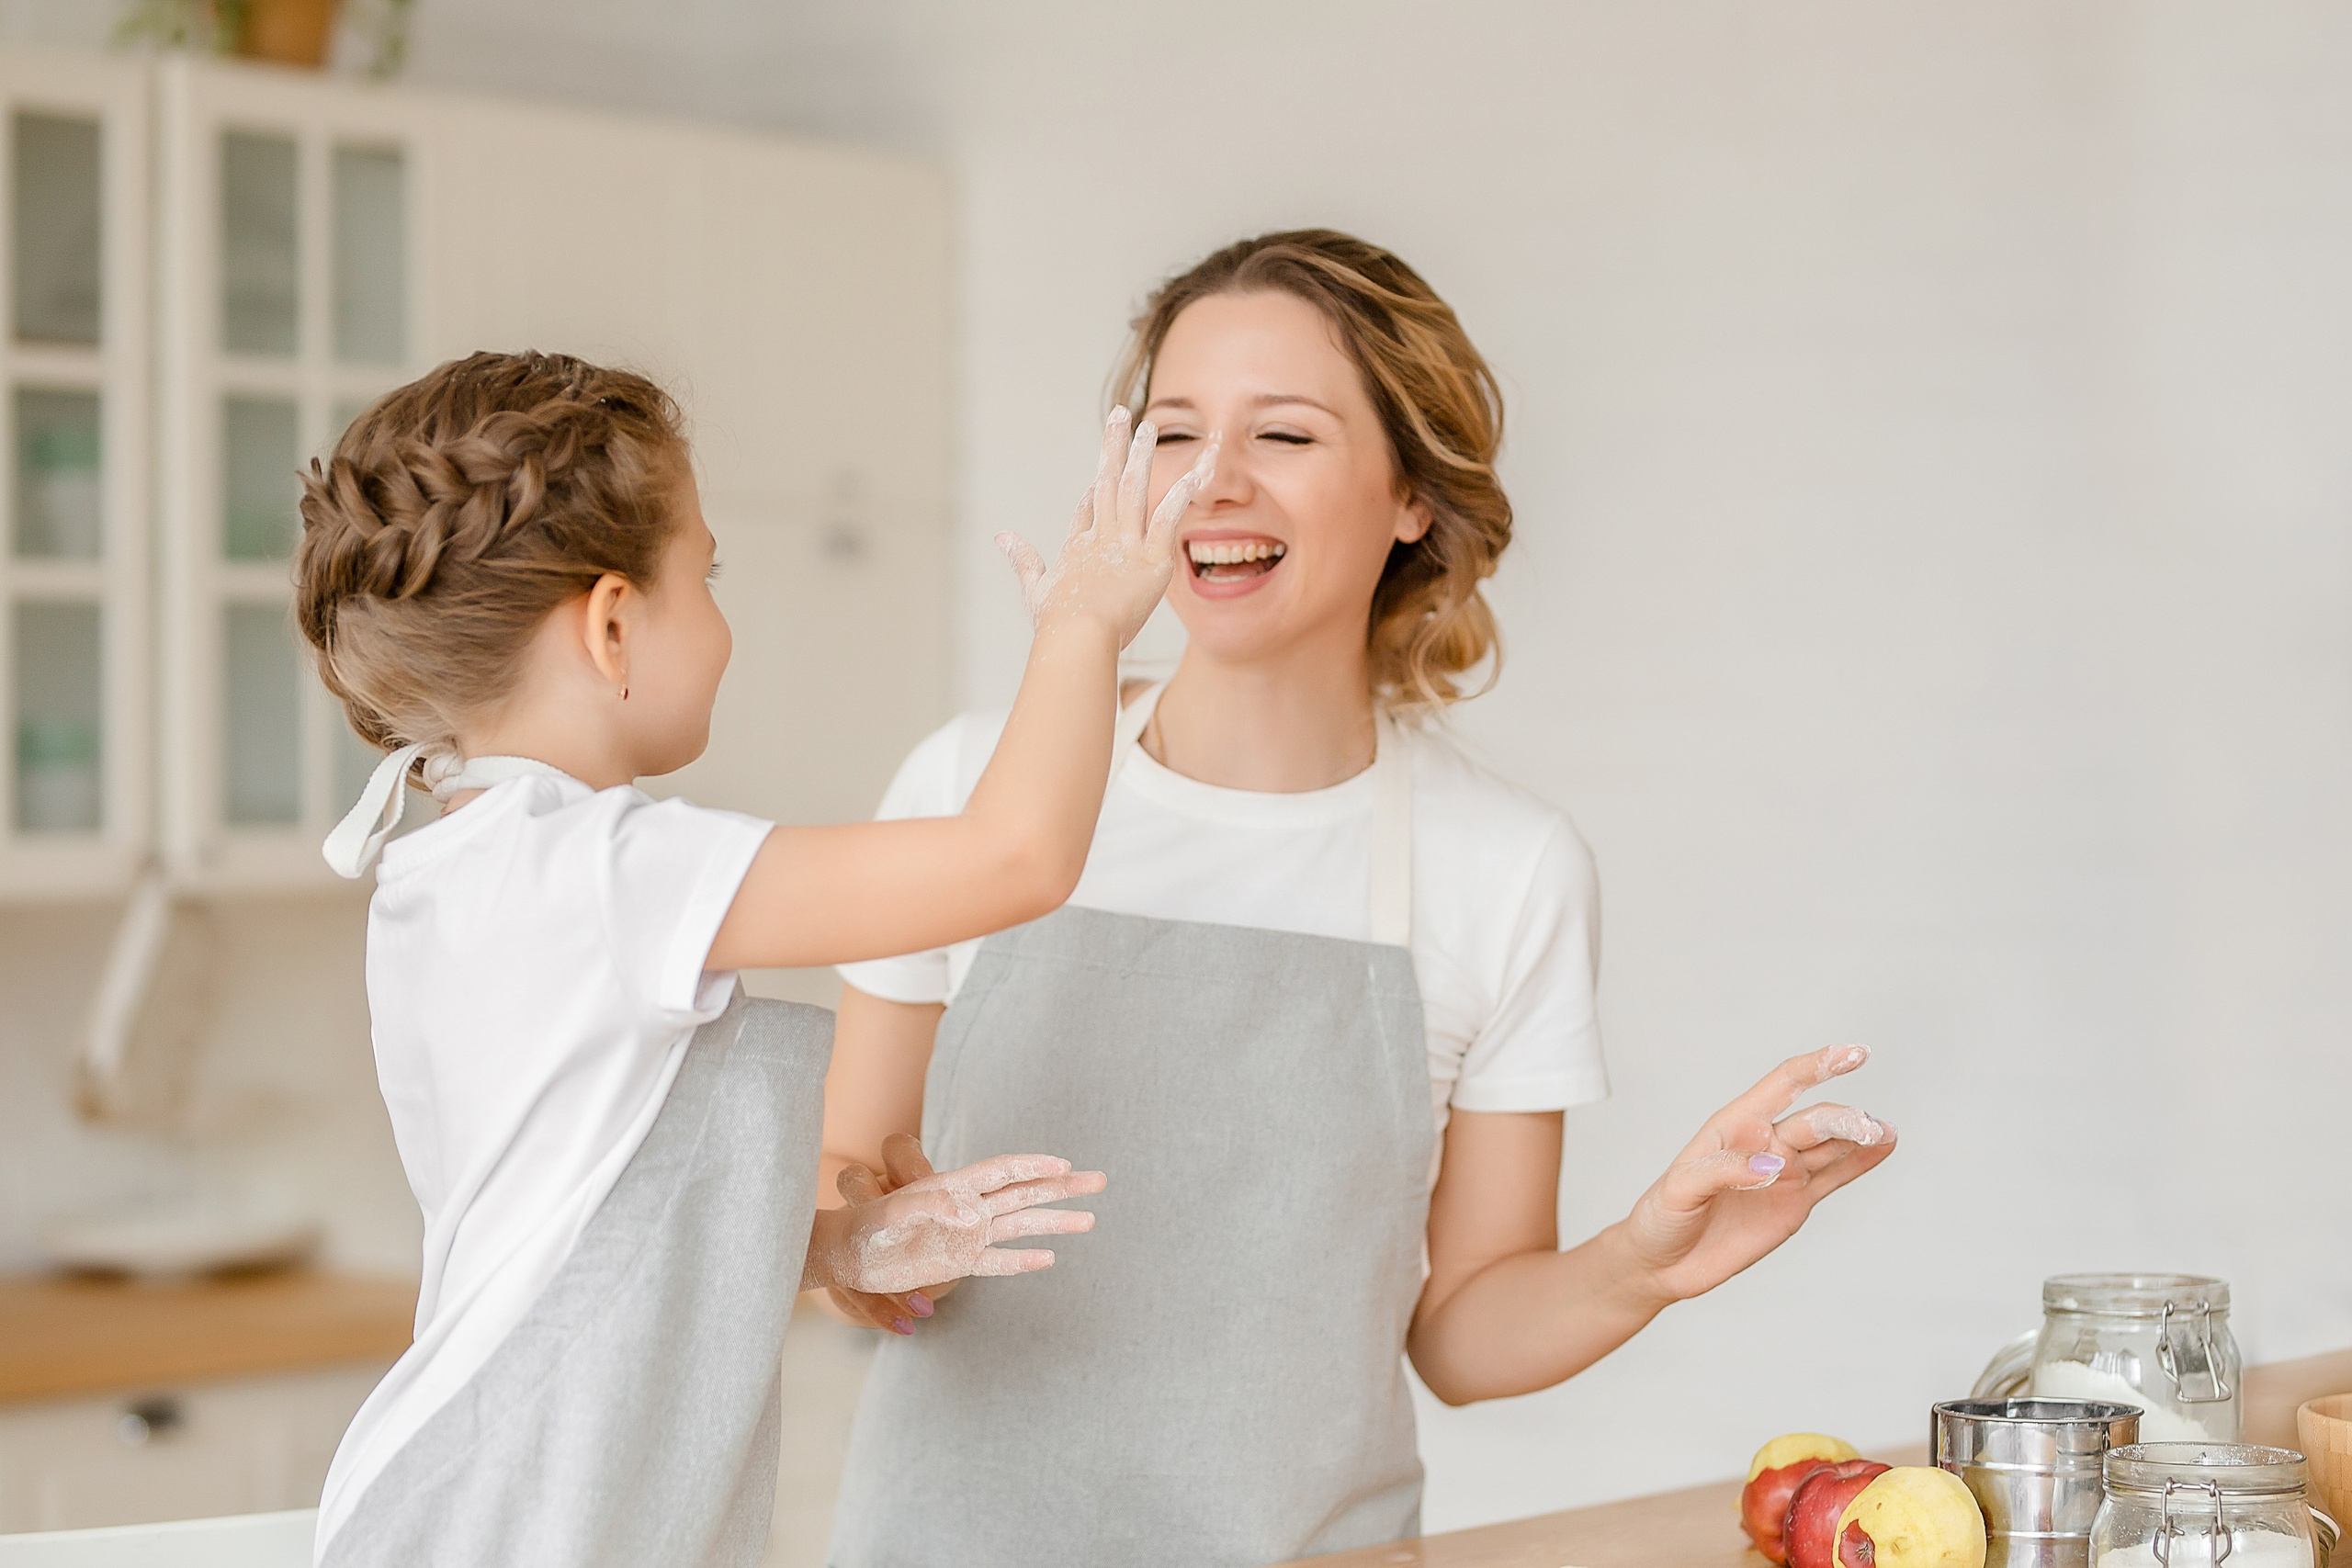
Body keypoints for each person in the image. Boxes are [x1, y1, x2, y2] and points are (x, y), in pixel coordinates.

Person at [818, 231, 1902, 1568]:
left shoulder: (1504, 867)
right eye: (1172, 431)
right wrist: (858, 1250)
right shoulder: (971, 784)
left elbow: (1460, 1334)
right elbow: (836, 1191)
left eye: (1283, 434)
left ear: (1411, 499)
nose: (1212, 482)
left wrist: (1647, 1261)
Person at [289, 350, 1216, 1566]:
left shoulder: (474, 863)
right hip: (523, 1524)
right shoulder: (603, 872)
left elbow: (592, 1227)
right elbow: (1015, 860)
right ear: (616, 623)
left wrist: (830, 1248)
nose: (723, 622)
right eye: (705, 574)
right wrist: (1086, 623)